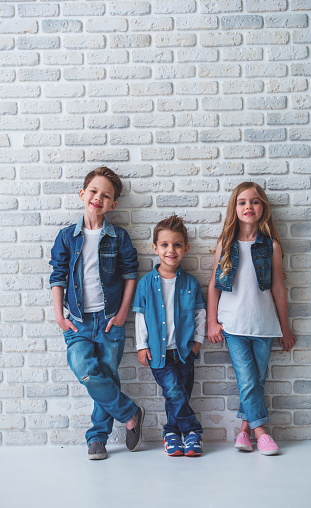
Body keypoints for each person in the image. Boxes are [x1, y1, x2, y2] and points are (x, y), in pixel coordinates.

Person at [49, 166, 144, 460]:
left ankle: (97, 439)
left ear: (112, 205)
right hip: (77, 322)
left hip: (109, 320)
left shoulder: (118, 237)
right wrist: (59, 315)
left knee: (108, 374)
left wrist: (122, 312)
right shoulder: (67, 237)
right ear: (82, 194)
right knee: (86, 371)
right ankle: (131, 413)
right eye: (93, 191)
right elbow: (58, 275)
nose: (98, 198)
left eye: (106, 196)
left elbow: (131, 274)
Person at [207, 182, 296, 456]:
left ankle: (244, 430)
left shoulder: (272, 246)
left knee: (256, 381)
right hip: (233, 325)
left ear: (263, 208)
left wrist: (285, 326)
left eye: (255, 202)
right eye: (243, 202)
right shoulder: (226, 243)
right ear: (235, 208)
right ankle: (262, 432)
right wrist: (212, 321)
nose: (249, 206)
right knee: (247, 380)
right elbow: (213, 285)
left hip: (264, 325)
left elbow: (279, 288)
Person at [133, 215, 206, 456]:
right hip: (158, 353)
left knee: (179, 395)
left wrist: (197, 343)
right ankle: (193, 430)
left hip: (185, 352)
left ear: (185, 248)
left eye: (176, 245)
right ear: (155, 248)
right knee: (174, 392)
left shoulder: (191, 284)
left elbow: (199, 315)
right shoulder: (145, 284)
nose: (170, 250)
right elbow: (141, 317)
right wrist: (141, 346)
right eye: (164, 245)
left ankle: (173, 433)